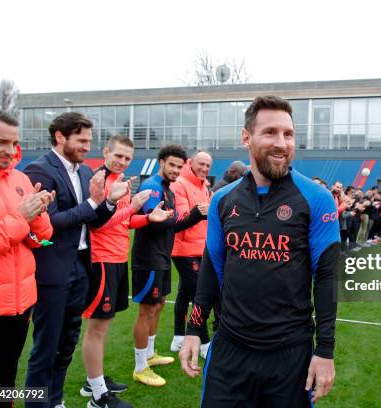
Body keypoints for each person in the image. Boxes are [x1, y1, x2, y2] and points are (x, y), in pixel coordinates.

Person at [179, 95, 340, 407]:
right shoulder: (223, 200)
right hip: (229, 349)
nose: (281, 143)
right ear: (246, 137)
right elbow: (212, 268)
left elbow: (326, 277)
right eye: (270, 132)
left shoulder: (316, 198)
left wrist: (325, 351)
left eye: (288, 134)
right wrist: (194, 329)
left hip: (290, 356)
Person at [24, 112, 129, 408]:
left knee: (66, 343)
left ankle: (55, 401)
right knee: (46, 347)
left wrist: (109, 202)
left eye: (90, 140)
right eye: (82, 140)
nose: (87, 146)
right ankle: (37, 404)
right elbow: (53, 221)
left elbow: (93, 221)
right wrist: (96, 202)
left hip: (81, 267)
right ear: (60, 136)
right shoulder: (40, 170)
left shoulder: (85, 172)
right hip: (53, 271)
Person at [80, 135, 170, 408]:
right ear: (105, 152)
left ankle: (93, 381)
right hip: (101, 259)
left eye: (127, 158)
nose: (122, 161)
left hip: (118, 258)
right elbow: (97, 224)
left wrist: (145, 217)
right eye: (117, 155)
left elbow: (124, 223)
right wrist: (131, 208)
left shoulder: (121, 184)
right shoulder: (98, 181)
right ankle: (97, 395)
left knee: (104, 326)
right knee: (97, 327)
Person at [0, 109, 53, 407]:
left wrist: (39, 213)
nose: (10, 151)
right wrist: (19, 218)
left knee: (2, 383)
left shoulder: (19, 178)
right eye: (1, 142)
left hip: (18, 304)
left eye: (14, 143)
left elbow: (38, 240)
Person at [130, 145, 207, 387]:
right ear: (161, 162)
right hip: (148, 258)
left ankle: (150, 355)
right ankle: (140, 367)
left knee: (159, 304)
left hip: (162, 255)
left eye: (178, 166)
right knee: (147, 310)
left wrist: (177, 217)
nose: (175, 169)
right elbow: (156, 222)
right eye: (171, 164)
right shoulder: (152, 186)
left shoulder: (167, 189)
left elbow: (170, 222)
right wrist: (184, 216)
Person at [170, 152, 213, 357]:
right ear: (190, 163)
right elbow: (179, 222)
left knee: (184, 293)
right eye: (201, 164)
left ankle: (178, 337)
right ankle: (204, 344)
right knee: (199, 295)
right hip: (184, 249)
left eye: (208, 166)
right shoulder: (179, 184)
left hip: (200, 247)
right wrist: (199, 211)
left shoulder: (204, 185)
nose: (205, 169)